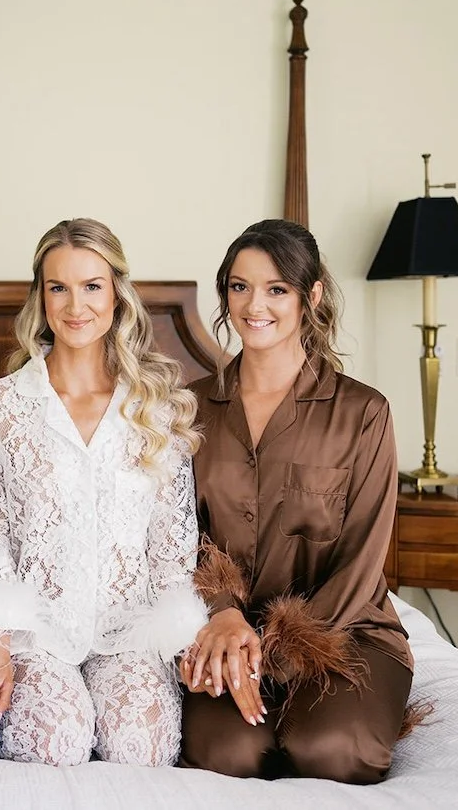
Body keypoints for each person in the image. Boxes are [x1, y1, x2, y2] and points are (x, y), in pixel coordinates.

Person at [0, 218, 207, 767]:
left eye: (91, 286)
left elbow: (171, 549)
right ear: (40, 296)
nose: (75, 305)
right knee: (55, 743)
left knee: (141, 748)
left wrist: (180, 641)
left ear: (116, 295)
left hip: (131, 631)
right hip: (35, 632)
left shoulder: (155, 405)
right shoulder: (0, 406)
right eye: (58, 287)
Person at [178, 218, 413, 784]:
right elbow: (177, 537)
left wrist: (270, 652)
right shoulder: (187, 410)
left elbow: (361, 562)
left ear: (311, 297)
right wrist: (224, 617)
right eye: (239, 287)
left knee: (333, 750)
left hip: (345, 630)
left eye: (276, 288)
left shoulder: (363, 413)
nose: (254, 305)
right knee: (226, 756)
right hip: (223, 635)